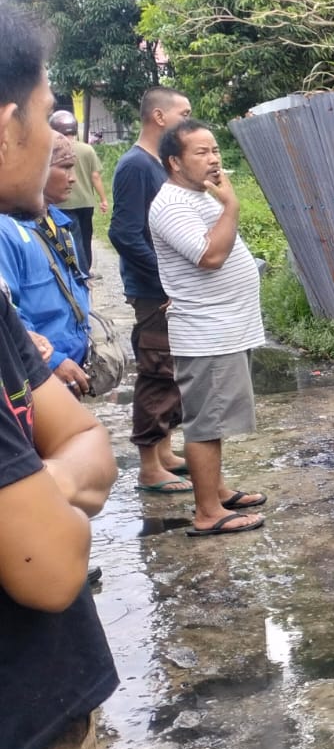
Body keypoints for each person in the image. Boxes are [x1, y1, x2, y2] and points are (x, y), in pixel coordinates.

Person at [0, 1, 119, 749]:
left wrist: (47, 487)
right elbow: (49, 566)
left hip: (46, 710)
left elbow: (90, 447)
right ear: (7, 124)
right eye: (47, 118)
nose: (58, 143)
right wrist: (53, 495)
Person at [147, 121, 269, 537]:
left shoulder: (199, 195)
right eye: (201, 153)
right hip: (207, 331)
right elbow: (210, 256)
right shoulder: (171, 204)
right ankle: (207, 512)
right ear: (175, 162)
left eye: (215, 150)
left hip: (228, 327)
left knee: (217, 419)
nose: (214, 158)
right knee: (206, 422)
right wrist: (232, 207)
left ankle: (216, 490)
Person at [109, 87, 191, 494]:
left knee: (172, 371)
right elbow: (124, 234)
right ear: (159, 117)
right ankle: (148, 466)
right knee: (157, 373)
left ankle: (165, 453)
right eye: (183, 113)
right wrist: (167, 278)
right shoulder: (135, 166)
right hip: (153, 290)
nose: (188, 121)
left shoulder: (158, 165)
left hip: (167, 288)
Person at [0, 134, 93, 397]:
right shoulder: (7, 231)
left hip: (69, 369)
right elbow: (9, 313)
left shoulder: (58, 221)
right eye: (64, 167)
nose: (72, 177)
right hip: (36, 376)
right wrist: (52, 361)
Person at [49, 111, 107, 279]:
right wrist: (103, 199)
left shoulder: (55, 149)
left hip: (64, 203)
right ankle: (86, 268)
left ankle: (81, 272)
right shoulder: (87, 149)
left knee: (75, 239)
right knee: (86, 236)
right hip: (86, 202)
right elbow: (95, 176)